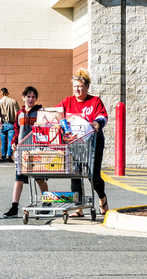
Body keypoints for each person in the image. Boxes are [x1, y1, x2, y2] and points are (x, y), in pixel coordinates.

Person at [57, 69, 109, 217]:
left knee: (94, 176)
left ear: (87, 86)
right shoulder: (67, 102)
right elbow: (56, 113)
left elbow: (103, 116)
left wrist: (97, 122)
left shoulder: (95, 101)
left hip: (93, 144)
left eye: (80, 86)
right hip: (74, 144)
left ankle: (102, 198)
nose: (77, 89)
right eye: (75, 86)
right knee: (75, 175)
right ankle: (78, 208)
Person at [2, 86, 48, 218]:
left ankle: (47, 203)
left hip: (36, 151)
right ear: (23, 98)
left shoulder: (40, 113)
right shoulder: (19, 114)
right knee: (19, 179)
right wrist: (13, 142)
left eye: (33, 97)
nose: (31, 99)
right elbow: (16, 131)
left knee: (39, 178)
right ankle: (14, 207)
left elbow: (44, 129)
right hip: (22, 152)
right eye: (28, 96)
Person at [0, 87, 20, 162]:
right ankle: (9, 155)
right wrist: (16, 123)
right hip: (11, 124)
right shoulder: (13, 101)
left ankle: (3, 156)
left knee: (3, 142)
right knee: (11, 141)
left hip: (2, 124)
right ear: (8, 93)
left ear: (1, 94)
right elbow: (17, 113)